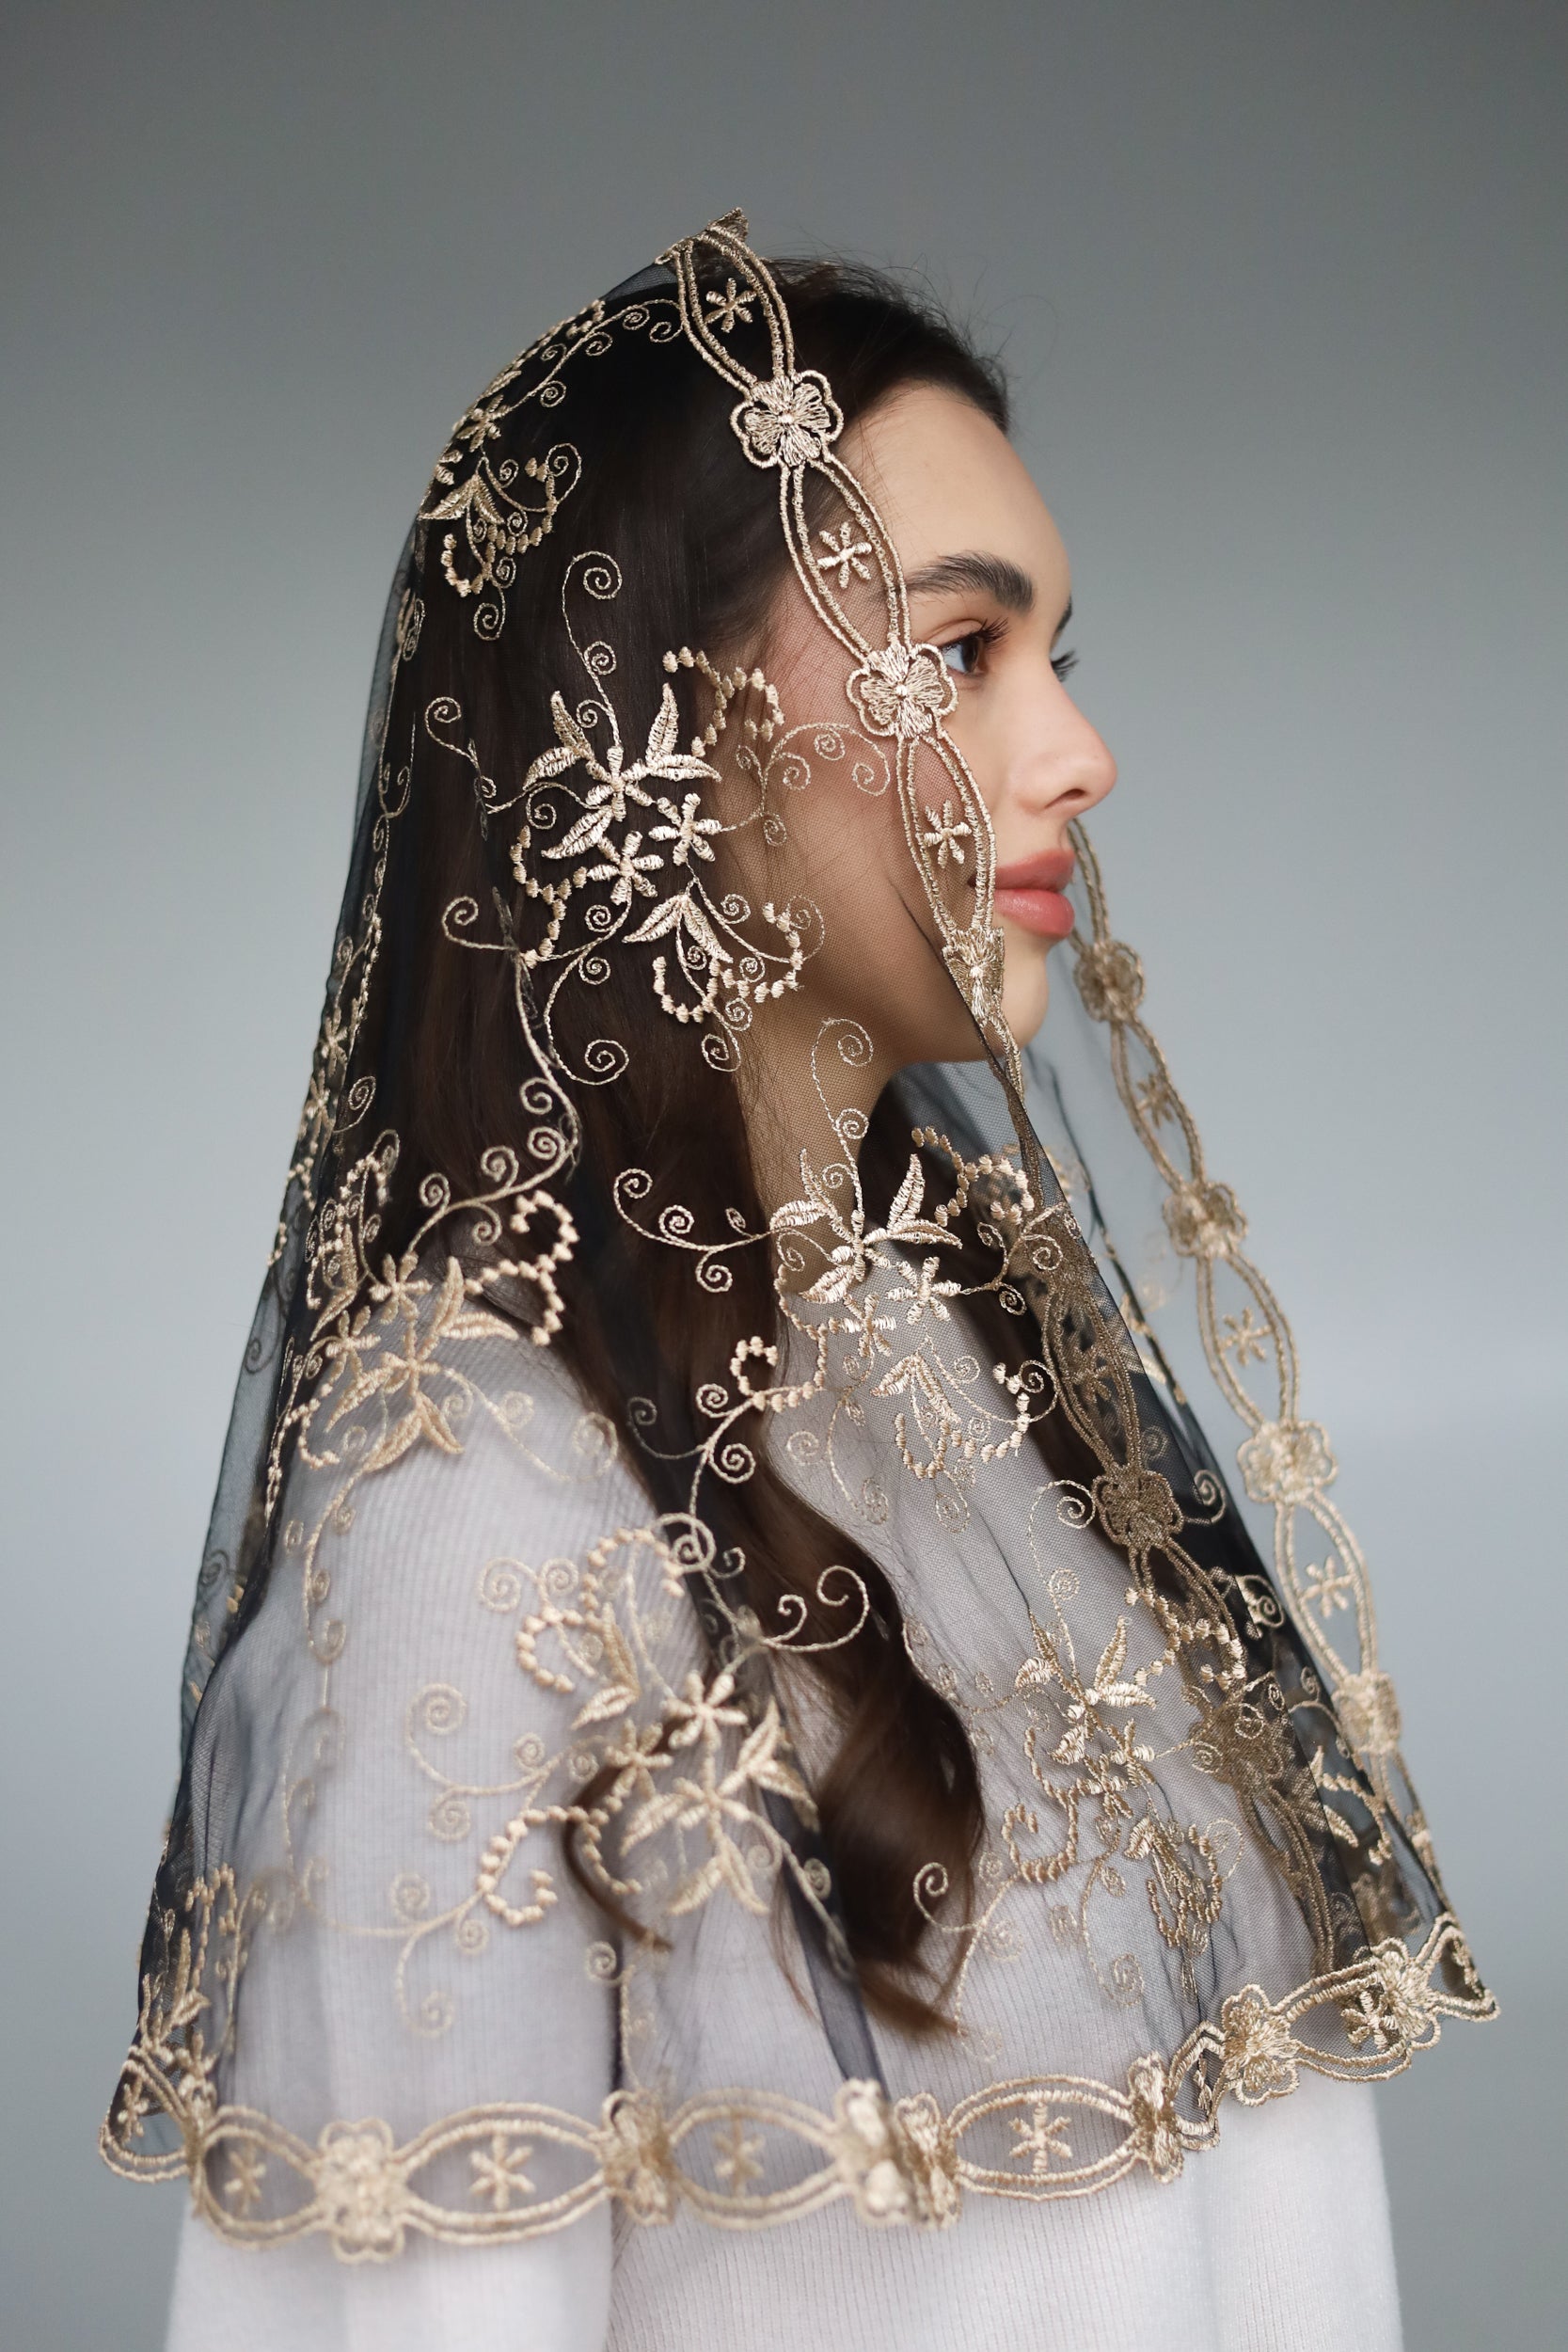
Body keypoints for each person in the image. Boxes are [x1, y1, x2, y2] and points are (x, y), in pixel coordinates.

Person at [104, 212, 1492, 2351]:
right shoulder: (482, 1496)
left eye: (1061, 654)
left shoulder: (994, 1364)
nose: (1079, 753)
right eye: (965, 649)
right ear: (670, 724)